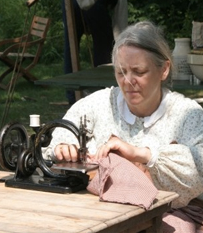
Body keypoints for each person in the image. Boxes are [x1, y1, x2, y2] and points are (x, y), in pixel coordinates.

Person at [43, 21, 203, 214]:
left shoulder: (186, 114)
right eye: (121, 72)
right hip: (101, 212)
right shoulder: (100, 104)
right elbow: (63, 133)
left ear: (164, 70)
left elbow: (199, 166)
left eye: (139, 71)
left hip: (166, 214)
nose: (127, 81)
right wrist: (63, 147)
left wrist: (142, 154)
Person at [62, 0, 127, 105]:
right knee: (103, 47)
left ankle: (72, 96)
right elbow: (120, 23)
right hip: (94, 0)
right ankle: (102, 91)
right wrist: (120, 45)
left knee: (71, 47)